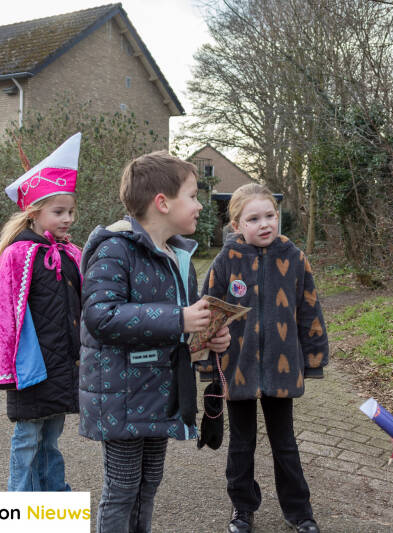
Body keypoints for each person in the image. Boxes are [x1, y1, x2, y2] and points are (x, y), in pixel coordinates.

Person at [79, 151, 231, 533]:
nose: (200, 206)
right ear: (162, 203)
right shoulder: (115, 248)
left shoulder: (178, 255)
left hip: (162, 391)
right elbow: (101, 316)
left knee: (149, 485)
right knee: (122, 488)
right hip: (122, 395)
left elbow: (180, 335)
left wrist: (206, 338)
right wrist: (179, 317)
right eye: (193, 196)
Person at [197, 183, 329, 533]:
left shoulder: (295, 258)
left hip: (281, 368)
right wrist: (206, 363)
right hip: (237, 368)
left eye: (270, 215)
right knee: (242, 444)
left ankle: (299, 512)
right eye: (253, 218)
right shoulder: (225, 261)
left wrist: (313, 357)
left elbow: (309, 309)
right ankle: (242, 509)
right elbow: (206, 312)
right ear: (237, 225)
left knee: (285, 442)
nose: (265, 224)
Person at [0, 133, 83, 491]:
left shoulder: (70, 254)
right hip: (31, 369)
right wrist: (7, 367)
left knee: (51, 439)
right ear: (34, 213)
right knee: (27, 440)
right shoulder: (19, 254)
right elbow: (5, 316)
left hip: (62, 365)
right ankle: (21, 504)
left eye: (70, 212)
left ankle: (53, 502)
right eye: (58, 212)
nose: (67, 219)